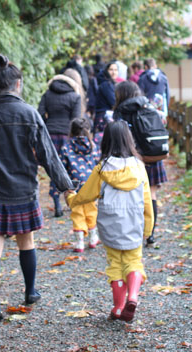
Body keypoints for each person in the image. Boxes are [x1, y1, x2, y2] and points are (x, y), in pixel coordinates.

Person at [0, 54, 74, 324]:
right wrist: (66, 187)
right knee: (27, 242)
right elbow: (49, 155)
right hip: (23, 189)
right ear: (18, 84)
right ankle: (30, 292)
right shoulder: (29, 114)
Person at [65, 121, 154, 322]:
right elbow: (147, 202)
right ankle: (133, 296)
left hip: (110, 226)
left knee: (115, 265)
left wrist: (71, 199)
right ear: (129, 140)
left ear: (106, 141)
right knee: (133, 262)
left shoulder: (102, 169)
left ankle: (118, 307)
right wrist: (148, 228)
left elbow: (86, 195)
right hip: (134, 224)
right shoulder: (139, 168)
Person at [112, 81, 168, 245]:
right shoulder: (148, 106)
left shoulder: (121, 112)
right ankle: (150, 234)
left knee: (130, 197)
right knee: (151, 194)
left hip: (132, 158)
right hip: (154, 155)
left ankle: (132, 233)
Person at [38, 69, 81, 217]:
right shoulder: (75, 96)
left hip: (49, 135)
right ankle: (70, 200)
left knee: (53, 168)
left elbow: (40, 113)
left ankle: (57, 204)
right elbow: (76, 119)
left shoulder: (47, 95)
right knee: (68, 168)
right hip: (67, 135)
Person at [60, 118, 100, 252]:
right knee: (91, 211)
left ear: (71, 132)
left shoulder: (66, 148)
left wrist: (62, 188)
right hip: (90, 186)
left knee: (77, 213)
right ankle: (93, 238)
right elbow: (98, 165)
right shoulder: (93, 147)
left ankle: (80, 242)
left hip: (74, 187)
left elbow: (62, 169)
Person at [94, 61, 119, 133]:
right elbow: (113, 102)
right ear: (106, 71)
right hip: (104, 118)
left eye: (116, 70)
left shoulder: (111, 83)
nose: (114, 72)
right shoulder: (106, 84)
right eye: (111, 70)